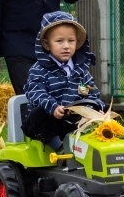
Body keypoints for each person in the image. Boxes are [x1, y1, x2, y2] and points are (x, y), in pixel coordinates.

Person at [22, 11, 103, 152]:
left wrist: (97, 108)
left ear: (77, 43)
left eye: (71, 41)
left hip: (71, 121)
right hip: (48, 122)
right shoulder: (39, 69)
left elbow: (91, 93)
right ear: (46, 45)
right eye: (59, 41)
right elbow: (36, 92)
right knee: (38, 115)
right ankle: (59, 149)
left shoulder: (81, 71)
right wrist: (53, 107)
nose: (66, 46)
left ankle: (98, 144)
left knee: (104, 108)